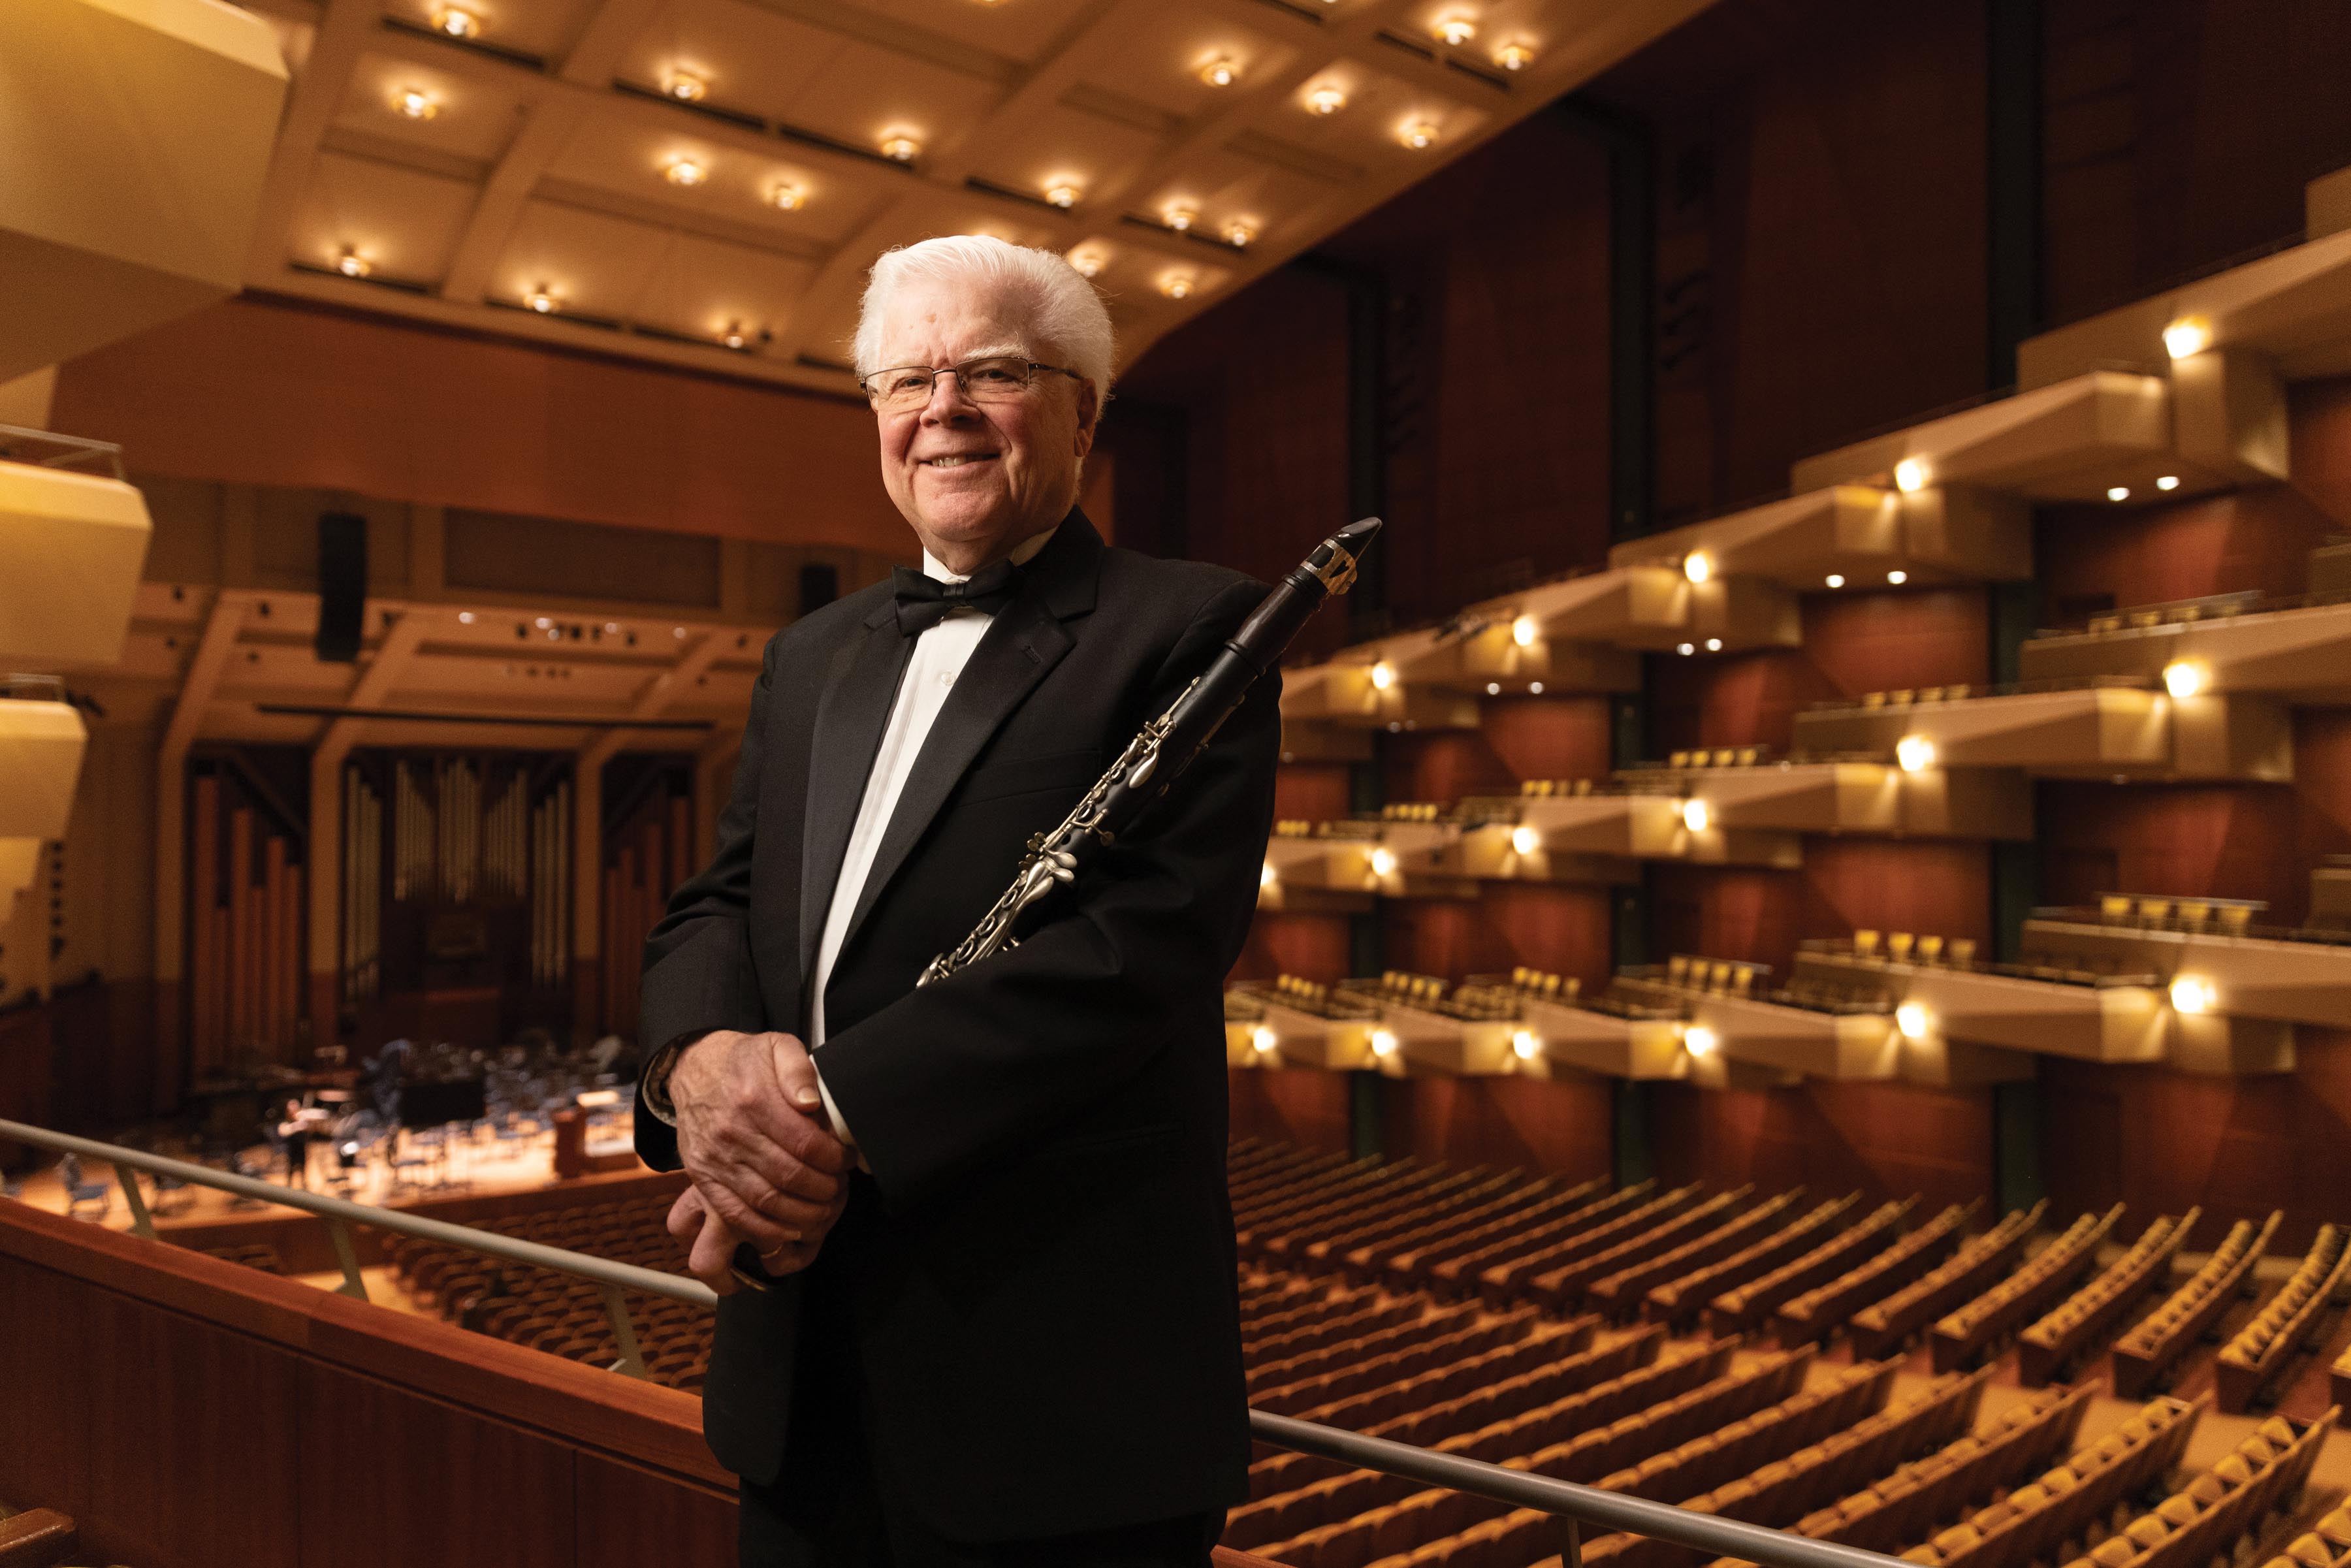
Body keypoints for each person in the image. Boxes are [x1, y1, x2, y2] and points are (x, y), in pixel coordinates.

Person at [632, 234, 1279, 1567]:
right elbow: (722, 900)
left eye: (994, 371)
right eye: (906, 379)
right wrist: (695, 1064)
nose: (944, 409)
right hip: (798, 1389)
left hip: (1055, 1405)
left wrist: (813, 1117)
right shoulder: (811, 654)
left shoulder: (1192, 627)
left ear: (1083, 414)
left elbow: (1138, 949)